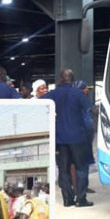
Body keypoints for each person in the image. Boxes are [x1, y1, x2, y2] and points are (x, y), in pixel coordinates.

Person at [42, 69, 94, 207]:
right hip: (78, 138)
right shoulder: (79, 94)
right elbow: (90, 110)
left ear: (61, 79)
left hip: (61, 139)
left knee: (64, 170)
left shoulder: (54, 93)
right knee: (81, 168)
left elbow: (40, 102)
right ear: (73, 78)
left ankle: (67, 200)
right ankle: (81, 199)